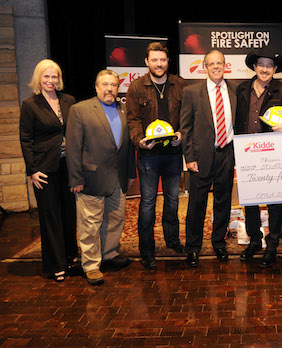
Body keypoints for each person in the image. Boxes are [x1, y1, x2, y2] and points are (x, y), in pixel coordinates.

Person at [234, 49, 282, 268]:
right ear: (254, 67)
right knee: (250, 200)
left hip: (273, 154)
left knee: (274, 201)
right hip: (247, 153)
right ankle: (255, 241)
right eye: (261, 64)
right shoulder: (242, 89)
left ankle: (272, 244)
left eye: (269, 65)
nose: (265, 69)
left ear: (275, 70)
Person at [66, 69, 135, 285]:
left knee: (115, 219)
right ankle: (91, 265)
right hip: (91, 179)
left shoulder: (123, 109)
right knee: (90, 223)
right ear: (96, 87)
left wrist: (131, 174)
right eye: (104, 84)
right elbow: (73, 147)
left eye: (113, 85)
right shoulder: (80, 110)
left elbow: (126, 146)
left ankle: (109, 254)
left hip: (118, 178)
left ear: (118, 88)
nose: (109, 89)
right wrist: (75, 179)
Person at [126, 42, 187, 269]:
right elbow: (132, 119)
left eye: (162, 60)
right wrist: (139, 139)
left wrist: (182, 133)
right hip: (149, 156)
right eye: (154, 60)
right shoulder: (135, 88)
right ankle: (147, 250)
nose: (159, 64)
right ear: (146, 62)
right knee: (148, 204)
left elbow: (187, 116)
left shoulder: (180, 85)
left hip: (173, 154)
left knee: (172, 202)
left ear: (167, 61)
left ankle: (172, 241)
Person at [19, 59, 78, 282]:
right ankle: (56, 265)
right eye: (46, 77)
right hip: (44, 169)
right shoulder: (30, 105)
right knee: (50, 217)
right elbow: (25, 139)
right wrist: (32, 170)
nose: (51, 81)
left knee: (68, 214)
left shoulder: (69, 100)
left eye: (54, 77)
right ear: (39, 78)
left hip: (67, 166)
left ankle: (71, 257)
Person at [179, 50, 237, 267]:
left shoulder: (233, 90)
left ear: (225, 65)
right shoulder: (192, 92)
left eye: (219, 63)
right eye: (211, 64)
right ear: (205, 66)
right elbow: (185, 128)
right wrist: (189, 158)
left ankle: (219, 243)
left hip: (226, 154)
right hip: (200, 158)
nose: (215, 67)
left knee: (223, 202)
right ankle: (193, 247)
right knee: (197, 204)